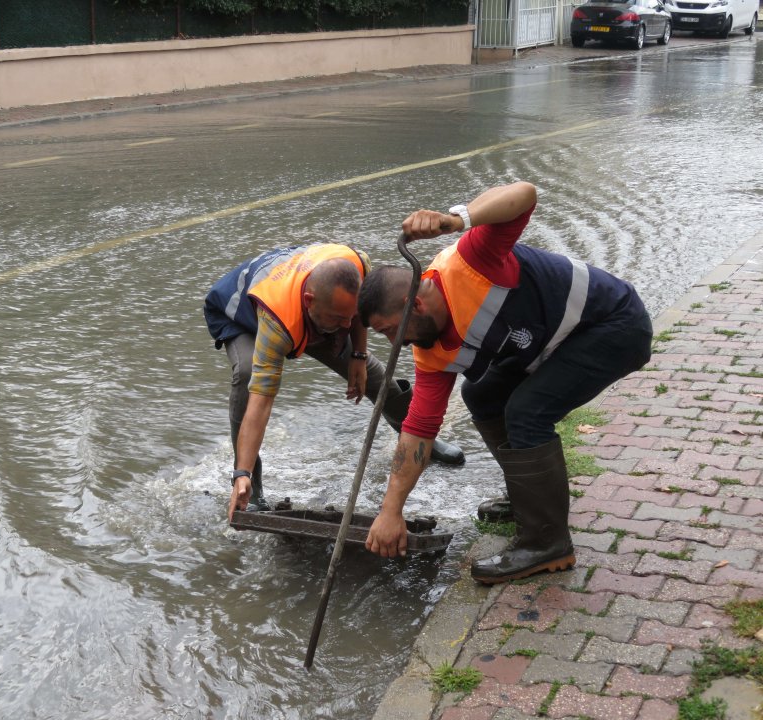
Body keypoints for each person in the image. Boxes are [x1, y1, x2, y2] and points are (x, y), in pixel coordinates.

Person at [357, 181, 652, 584]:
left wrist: (454, 219)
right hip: (557, 343)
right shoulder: (429, 351)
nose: (395, 344)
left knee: (527, 413)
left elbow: (524, 194)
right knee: (481, 393)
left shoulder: (472, 261)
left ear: (417, 305)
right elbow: (418, 431)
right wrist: (391, 511)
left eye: (391, 331)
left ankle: (547, 544)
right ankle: (529, 499)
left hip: (613, 325)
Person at [203, 242, 465, 521]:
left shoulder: (359, 265)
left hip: (310, 304)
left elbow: (357, 315)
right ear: (309, 301)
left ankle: (422, 440)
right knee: (247, 377)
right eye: (340, 319)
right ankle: (249, 487)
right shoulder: (278, 322)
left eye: (350, 318)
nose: (346, 326)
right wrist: (242, 472)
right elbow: (261, 404)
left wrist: (359, 354)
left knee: (372, 375)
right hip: (243, 315)